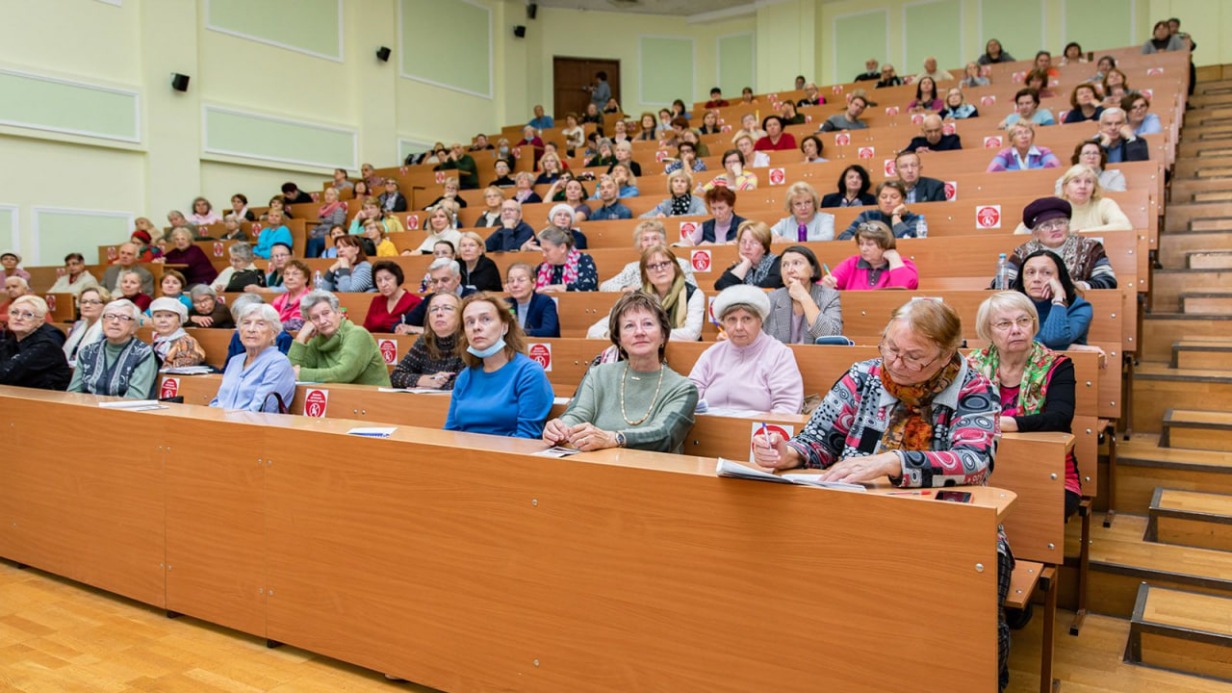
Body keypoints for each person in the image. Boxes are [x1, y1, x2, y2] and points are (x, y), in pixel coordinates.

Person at [749, 298, 1008, 688]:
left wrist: (894, 463)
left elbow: (973, 462)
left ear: (945, 355)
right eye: (890, 347)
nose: (896, 363)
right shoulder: (863, 376)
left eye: (913, 356)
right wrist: (788, 453)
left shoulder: (974, 387)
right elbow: (819, 441)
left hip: (951, 531)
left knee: (970, 628)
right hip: (853, 522)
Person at [970, 292, 1082, 516]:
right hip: (981, 467)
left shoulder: (1057, 366)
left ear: (1033, 324)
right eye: (1004, 323)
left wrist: (1002, 423)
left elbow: (1059, 418)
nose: (1016, 329)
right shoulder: (973, 366)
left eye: (1023, 320)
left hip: (1048, 469)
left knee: (1038, 508)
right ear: (988, 331)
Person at [546, 292, 698, 452]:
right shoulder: (598, 374)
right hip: (600, 468)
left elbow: (665, 434)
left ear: (663, 335)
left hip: (655, 472)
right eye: (629, 326)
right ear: (619, 340)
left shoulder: (684, 388)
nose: (639, 332)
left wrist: (613, 438)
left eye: (648, 324)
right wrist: (560, 429)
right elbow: (577, 415)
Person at [445, 293, 553, 439]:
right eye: (469, 322)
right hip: (465, 456)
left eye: (486, 319)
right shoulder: (465, 376)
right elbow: (450, 432)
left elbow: (526, 438)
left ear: (504, 327)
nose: (476, 327)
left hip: (507, 457)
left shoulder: (528, 372)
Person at [690, 285, 803, 413]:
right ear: (723, 323)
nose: (738, 327)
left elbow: (787, 407)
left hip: (758, 431)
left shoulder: (779, 354)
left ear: (760, 321)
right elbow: (688, 396)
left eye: (747, 319)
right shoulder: (712, 354)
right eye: (731, 319)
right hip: (710, 429)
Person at [589, 246, 703, 343]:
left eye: (664, 263)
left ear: (675, 266)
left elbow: (691, 334)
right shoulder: (635, 297)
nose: (659, 269)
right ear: (645, 273)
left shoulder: (693, 294)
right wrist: (617, 336)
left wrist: (644, 335)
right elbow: (594, 330)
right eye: (652, 266)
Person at [1005, 197, 1118, 292]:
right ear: (1035, 233)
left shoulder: (1091, 248)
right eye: (1047, 225)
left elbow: (1108, 281)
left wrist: (1081, 286)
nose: (1055, 229)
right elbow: (1001, 283)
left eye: (1060, 223)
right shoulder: (1022, 253)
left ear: (1068, 226)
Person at [289, 290, 390, 386]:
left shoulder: (358, 334)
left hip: (375, 400)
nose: (322, 321)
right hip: (339, 399)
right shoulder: (317, 341)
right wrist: (300, 337)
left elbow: (344, 373)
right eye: (315, 317)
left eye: (326, 313)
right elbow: (291, 371)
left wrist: (302, 374)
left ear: (338, 312)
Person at [209, 302, 296, 412]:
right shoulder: (235, 361)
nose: (251, 329)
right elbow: (219, 400)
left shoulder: (279, 363)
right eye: (246, 323)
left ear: (274, 333)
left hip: (254, 426)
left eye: (260, 324)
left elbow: (262, 409)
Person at [67, 299, 158, 399]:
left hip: (124, 412)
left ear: (134, 327)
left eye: (124, 318)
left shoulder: (143, 353)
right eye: (110, 316)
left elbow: (135, 398)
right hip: (86, 411)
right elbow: (73, 393)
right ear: (102, 323)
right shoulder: (87, 352)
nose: (115, 322)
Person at [1012, 249, 1091, 350]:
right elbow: (1003, 342)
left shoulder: (1079, 307)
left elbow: (1054, 339)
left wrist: (1059, 299)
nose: (1036, 279)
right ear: (1022, 280)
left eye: (1046, 273)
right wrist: (1070, 348)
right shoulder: (1012, 305)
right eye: (1030, 272)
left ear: (1060, 279)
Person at [763, 245, 842, 344]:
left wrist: (804, 297)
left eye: (796, 263)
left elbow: (830, 337)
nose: (790, 270)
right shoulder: (771, 298)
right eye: (785, 265)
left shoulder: (829, 296)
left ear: (812, 270)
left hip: (816, 358)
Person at [0, 295, 70, 391]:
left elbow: (6, 374)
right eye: (14, 312)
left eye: (28, 315)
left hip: (48, 401)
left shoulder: (46, 346)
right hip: (18, 396)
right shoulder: (11, 341)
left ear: (40, 322)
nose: (19, 318)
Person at [826, 220, 920, 290]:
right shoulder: (851, 263)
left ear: (885, 244)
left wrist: (894, 259)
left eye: (870, 244)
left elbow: (904, 290)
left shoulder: (904, 264)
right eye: (861, 243)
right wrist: (827, 285)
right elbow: (822, 288)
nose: (864, 249)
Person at [602, 220, 696, 289]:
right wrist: (625, 289)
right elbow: (604, 286)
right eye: (645, 239)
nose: (650, 243)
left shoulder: (681, 264)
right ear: (640, 245)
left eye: (654, 238)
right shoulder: (631, 268)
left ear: (662, 243)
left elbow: (693, 290)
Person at [838, 181, 927, 239]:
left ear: (903, 199)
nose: (888, 201)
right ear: (877, 200)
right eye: (884, 197)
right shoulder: (868, 216)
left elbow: (909, 241)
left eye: (894, 197)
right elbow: (843, 236)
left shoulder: (913, 219)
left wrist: (895, 216)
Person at [715, 221, 782, 290]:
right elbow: (719, 288)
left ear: (764, 248)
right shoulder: (739, 266)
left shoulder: (778, 264)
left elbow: (767, 287)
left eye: (753, 243)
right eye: (743, 242)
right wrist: (745, 264)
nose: (747, 247)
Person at [147, 297, 205, 368]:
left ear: (179, 321)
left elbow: (188, 363)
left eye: (169, 316)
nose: (162, 320)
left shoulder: (186, 341)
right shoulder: (156, 342)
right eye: (158, 316)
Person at [534, 227, 597, 293]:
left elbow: (588, 287)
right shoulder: (542, 267)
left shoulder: (583, 260)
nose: (544, 255)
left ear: (562, 248)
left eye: (547, 250)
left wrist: (561, 288)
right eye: (542, 251)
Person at [363, 261, 420, 333]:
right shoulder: (376, 301)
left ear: (397, 278)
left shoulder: (414, 302)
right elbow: (366, 330)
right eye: (379, 280)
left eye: (387, 279)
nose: (383, 284)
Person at [770, 182, 835, 242]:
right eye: (798, 204)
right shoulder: (785, 223)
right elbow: (767, 236)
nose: (803, 208)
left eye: (808, 202)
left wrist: (793, 241)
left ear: (814, 203)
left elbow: (827, 237)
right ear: (791, 206)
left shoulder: (826, 218)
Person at [987, 121, 1061, 172]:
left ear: (1032, 136)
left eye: (1027, 132)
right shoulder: (1005, 153)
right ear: (1011, 139)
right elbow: (992, 170)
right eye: (1019, 133)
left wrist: (1008, 171)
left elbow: (1055, 166)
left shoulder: (1043, 151)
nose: (1024, 136)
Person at [63, 286, 109, 367]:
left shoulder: (108, 329)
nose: (87, 305)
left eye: (94, 302)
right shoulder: (78, 325)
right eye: (83, 302)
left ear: (105, 305)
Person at [1057, 142, 1127, 194]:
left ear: (1101, 158)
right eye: (1087, 153)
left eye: (1095, 153)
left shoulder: (1114, 176)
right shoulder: (1064, 180)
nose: (1091, 157)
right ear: (1078, 158)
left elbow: (1119, 197)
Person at [640, 170, 706, 219]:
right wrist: (656, 217)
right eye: (676, 181)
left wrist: (677, 217)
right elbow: (642, 217)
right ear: (671, 185)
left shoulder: (697, 201)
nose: (679, 184)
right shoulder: (665, 203)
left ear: (688, 186)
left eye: (683, 181)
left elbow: (703, 214)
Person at [306, 187, 347, 258]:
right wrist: (313, 232)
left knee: (313, 242)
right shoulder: (322, 210)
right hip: (319, 236)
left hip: (329, 236)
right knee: (309, 240)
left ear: (336, 197)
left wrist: (324, 234)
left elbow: (337, 227)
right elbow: (317, 225)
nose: (328, 196)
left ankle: (311, 263)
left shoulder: (339, 209)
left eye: (331, 194)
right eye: (326, 194)